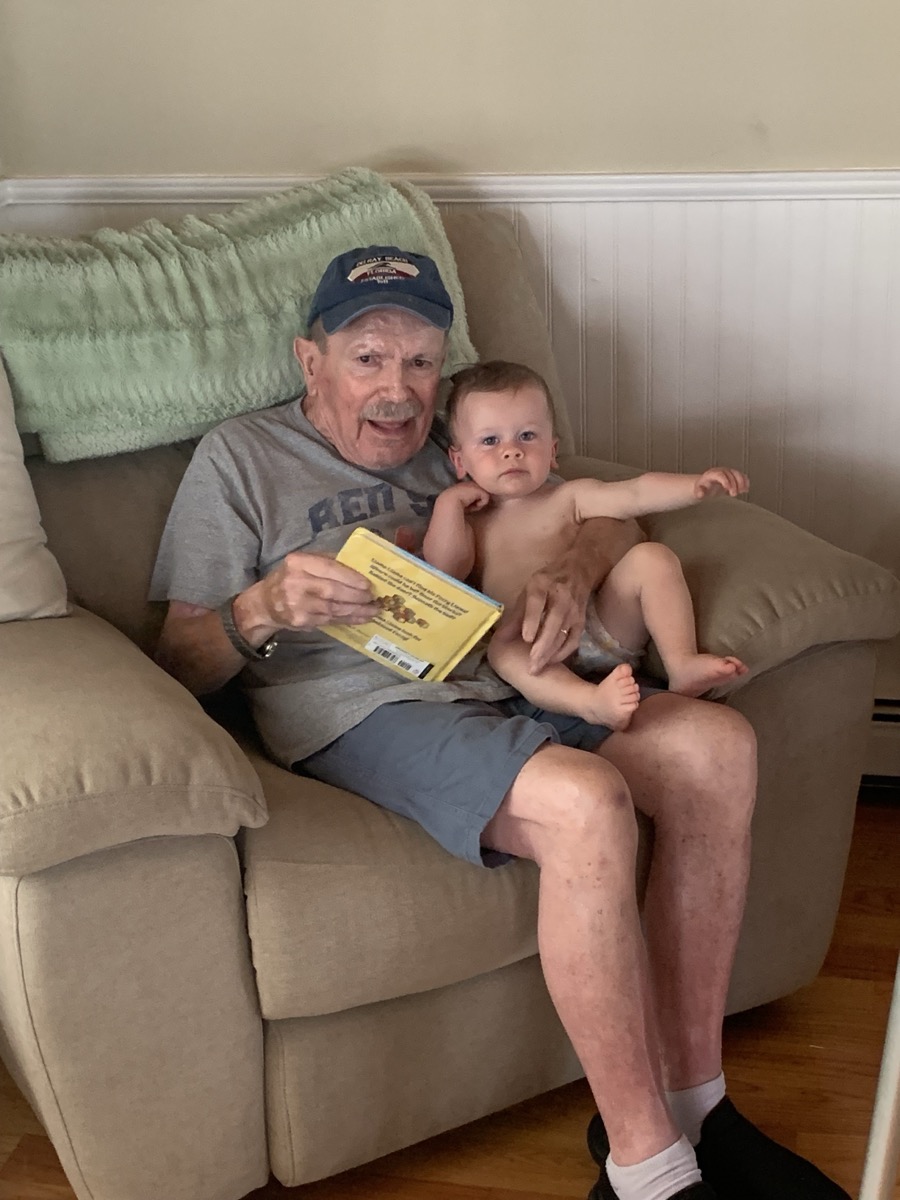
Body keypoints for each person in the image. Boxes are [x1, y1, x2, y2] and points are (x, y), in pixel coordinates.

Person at [150, 244, 850, 1200]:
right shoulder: (243, 457)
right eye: (367, 359)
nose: (397, 389)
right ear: (310, 361)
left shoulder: (463, 436)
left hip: (513, 678)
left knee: (715, 746)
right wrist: (262, 608)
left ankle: (696, 1104)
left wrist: (579, 560)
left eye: (420, 361)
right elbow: (175, 659)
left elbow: (588, 498)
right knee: (584, 800)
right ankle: (647, 1168)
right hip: (369, 708)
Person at [422, 360, 749, 732]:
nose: (511, 451)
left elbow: (634, 492)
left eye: (527, 436)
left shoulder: (570, 497)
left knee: (651, 557)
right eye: (490, 441)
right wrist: (449, 504)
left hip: (602, 623)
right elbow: (443, 570)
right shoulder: (472, 521)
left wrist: (695, 486)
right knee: (501, 652)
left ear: (553, 449)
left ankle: (682, 663)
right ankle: (590, 703)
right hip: (533, 648)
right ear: (459, 460)